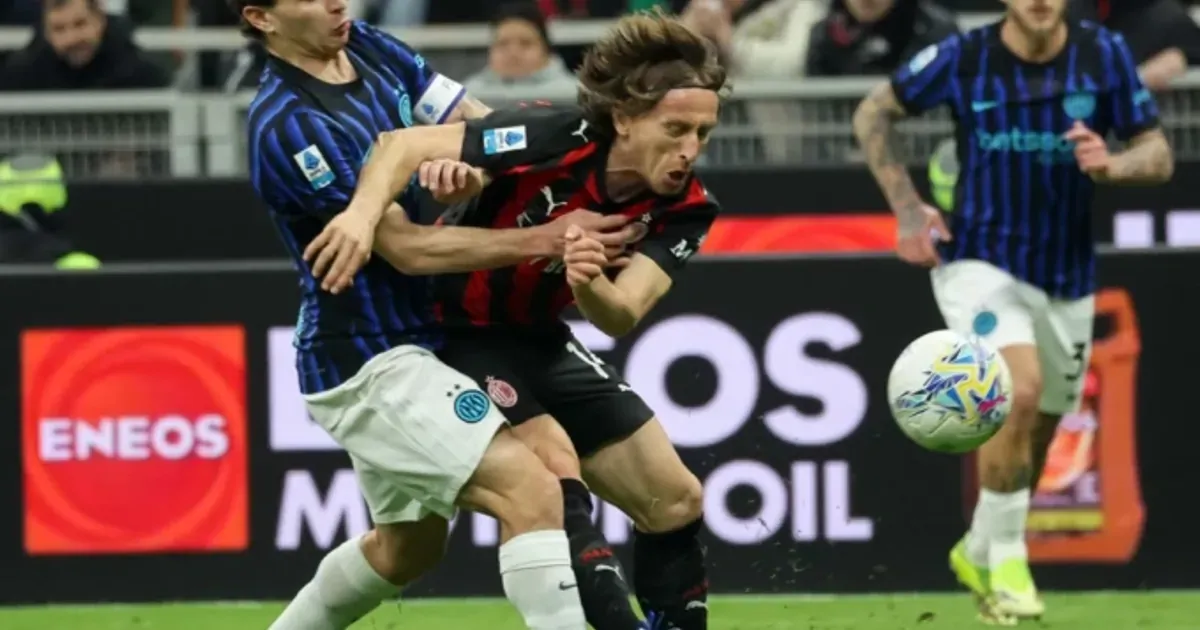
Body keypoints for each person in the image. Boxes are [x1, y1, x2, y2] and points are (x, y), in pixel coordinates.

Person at [304, 11, 726, 630]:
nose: (690, 149)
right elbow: (402, 146)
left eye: (703, 133)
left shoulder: (687, 208)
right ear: (625, 119)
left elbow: (621, 314)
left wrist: (589, 280)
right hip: (455, 333)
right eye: (676, 129)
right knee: (553, 464)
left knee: (677, 498)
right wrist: (363, 217)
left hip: (541, 340)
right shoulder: (556, 133)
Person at [232, 1, 636, 628]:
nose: (337, 2)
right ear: (262, 18)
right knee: (531, 489)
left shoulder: (368, 45)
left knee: (407, 549)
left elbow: (478, 124)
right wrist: (545, 238)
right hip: (370, 356)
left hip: (437, 336)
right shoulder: (288, 124)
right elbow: (407, 250)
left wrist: (471, 168)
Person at [853, 0, 1172, 623]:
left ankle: (978, 548)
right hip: (978, 262)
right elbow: (873, 112)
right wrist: (908, 208)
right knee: (1015, 390)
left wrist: (1114, 165)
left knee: (1039, 430)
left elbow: (1156, 153)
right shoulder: (965, 57)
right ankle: (1007, 567)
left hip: (1066, 276)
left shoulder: (1102, 54)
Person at [0, 0, 168, 91]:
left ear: (100, 20)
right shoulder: (20, 77)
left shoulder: (144, 75)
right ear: (46, 32)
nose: (71, 39)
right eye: (59, 29)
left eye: (80, 24)